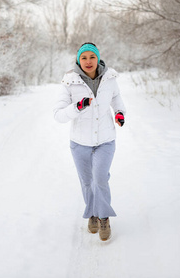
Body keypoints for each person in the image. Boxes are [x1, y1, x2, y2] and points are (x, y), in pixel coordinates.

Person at [54, 42, 126, 241]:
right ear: (78, 60)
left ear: (98, 58)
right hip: (80, 143)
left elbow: (117, 99)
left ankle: (104, 217)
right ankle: (92, 214)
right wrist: (78, 107)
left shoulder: (109, 79)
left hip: (105, 140)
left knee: (100, 178)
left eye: (92, 57)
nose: (88, 61)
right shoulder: (70, 82)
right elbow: (58, 115)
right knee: (87, 182)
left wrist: (120, 113)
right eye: (84, 58)